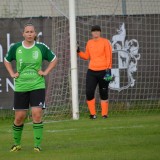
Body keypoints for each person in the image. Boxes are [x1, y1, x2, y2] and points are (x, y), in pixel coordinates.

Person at [4, 23, 58, 152]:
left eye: (31, 32)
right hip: (21, 86)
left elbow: (54, 59)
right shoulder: (16, 48)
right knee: (19, 117)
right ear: (23, 34)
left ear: (35, 34)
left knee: (37, 114)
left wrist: (45, 72)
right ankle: (16, 144)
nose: (29, 34)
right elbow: (6, 60)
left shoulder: (41, 47)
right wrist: (12, 73)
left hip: (37, 85)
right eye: (27, 32)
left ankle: (37, 145)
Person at [77, 25, 112, 119]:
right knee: (89, 91)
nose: (96, 33)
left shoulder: (105, 42)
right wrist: (78, 51)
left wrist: (109, 70)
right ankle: (93, 114)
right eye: (94, 31)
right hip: (92, 71)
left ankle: (104, 114)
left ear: (100, 32)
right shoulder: (89, 42)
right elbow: (86, 56)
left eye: (97, 31)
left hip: (104, 71)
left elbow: (109, 56)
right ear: (91, 33)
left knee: (103, 92)